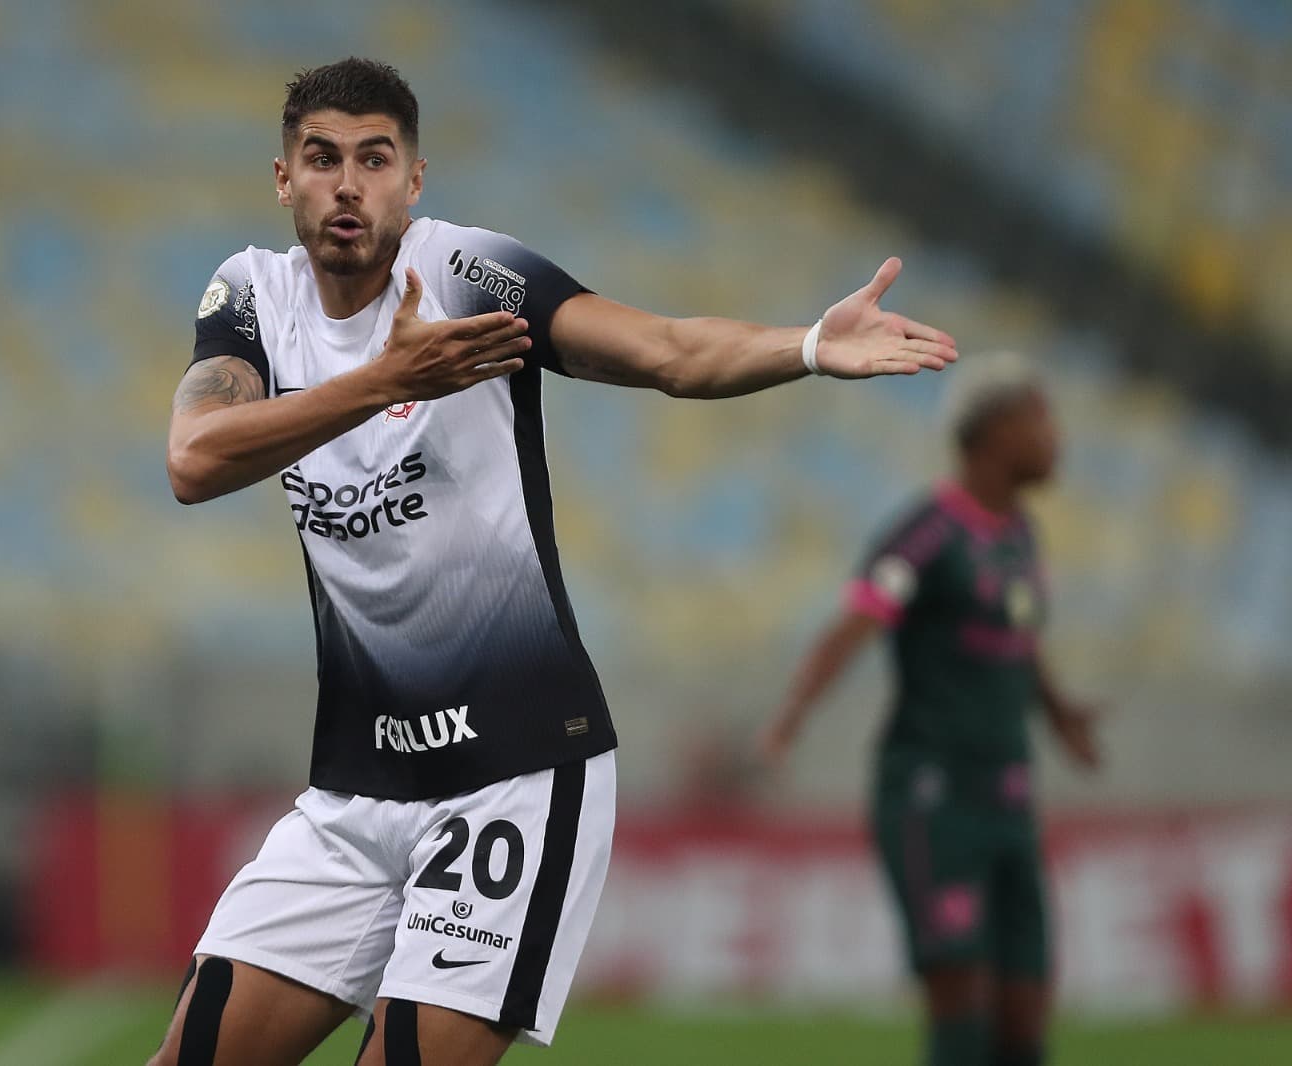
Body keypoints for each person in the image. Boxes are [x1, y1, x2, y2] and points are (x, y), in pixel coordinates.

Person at [158, 56, 958, 1066]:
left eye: (375, 159)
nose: (347, 184)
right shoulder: (250, 293)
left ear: (414, 179)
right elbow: (194, 460)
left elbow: (666, 352)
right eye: (322, 159)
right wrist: (386, 381)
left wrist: (805, 345)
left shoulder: (469, 276)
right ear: (284, 180)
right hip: (357, 790)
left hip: (514, 772)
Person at [757, 352, 1101, 1066]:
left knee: (1024, 1016)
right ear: (995, 430)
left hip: (1009, 795)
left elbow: (1022, 641)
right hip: (932, 794)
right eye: (1041, 420)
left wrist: (1058, 712)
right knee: (960, 1002)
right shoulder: (929, 533)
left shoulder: (1020, 534)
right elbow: (857, 622)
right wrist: (794, 712)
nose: (1056, 439)